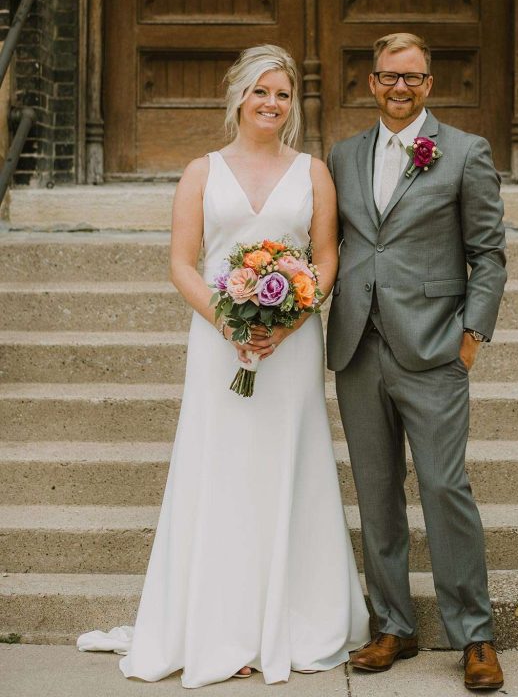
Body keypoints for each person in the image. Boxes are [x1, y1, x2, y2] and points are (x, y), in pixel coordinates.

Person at [77, 45, 369, 687]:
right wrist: (230, 323)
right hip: (219, 341)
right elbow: (182, 263)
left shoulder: (313, 172)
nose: (272, 103)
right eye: (261, 90)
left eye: (283, 94)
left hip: (291, 344)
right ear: (238, 95)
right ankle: (220, 625)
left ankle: (295, 620)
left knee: (288, 463)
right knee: (221, 467)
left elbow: (325, 258)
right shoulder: (201, 172)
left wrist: (289, 321)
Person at [326, 32, 507, 691]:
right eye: (388, 76)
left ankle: (474, 635)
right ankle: (394, 626)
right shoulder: (342, 156)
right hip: (358, 347)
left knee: (443, 487)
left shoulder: (465, 151)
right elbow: (337, 243)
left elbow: (488, 253)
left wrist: (471, 335)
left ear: (429, 84)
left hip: (433, 347)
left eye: (412, 77)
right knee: (376, 493)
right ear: (371, 82)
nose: (399, 88)